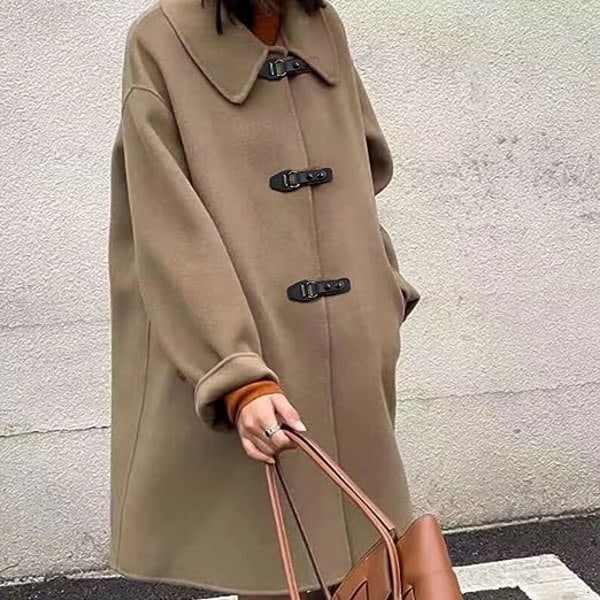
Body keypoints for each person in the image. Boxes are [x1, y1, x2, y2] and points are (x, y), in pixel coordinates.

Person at [108, 0, 422, 598]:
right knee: (281, 565)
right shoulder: (161, 41)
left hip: (351, 350)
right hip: (254, 349)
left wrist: (383, 288)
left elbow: (362, 164)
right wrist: (236, 374)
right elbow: (167, 224)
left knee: (365, 562)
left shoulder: (321, 25)